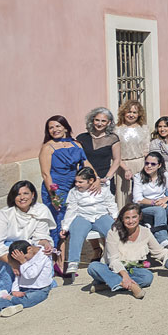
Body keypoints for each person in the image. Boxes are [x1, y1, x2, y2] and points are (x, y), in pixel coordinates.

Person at [87, 203, 168, 298]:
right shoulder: (113, 232)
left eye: (134, 217)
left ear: (139, 217)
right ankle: (131, 286)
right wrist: (125, 276)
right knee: (93, 267)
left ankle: (108, 284)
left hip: (131, 268)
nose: (131, 221)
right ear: (122, 219)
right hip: (111, 268)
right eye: (127, 218)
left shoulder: (145, 232)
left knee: (147, 277)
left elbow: (160, 252)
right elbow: (113, 260)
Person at [0, 182, 55, 299]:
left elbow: (41, 237)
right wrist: (14, 262)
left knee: (41, 255)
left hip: (29, 250)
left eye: (26, 193)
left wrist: (45, 244)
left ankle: (32, 285)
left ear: (33, 195)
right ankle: (1, 289)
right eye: (18, 194)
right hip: (8, 250)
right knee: (10, 250)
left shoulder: (41, 210)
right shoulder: (5, 214)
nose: (22, 197)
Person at [39, 115, 93, 254]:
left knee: (72, 219)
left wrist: (96, 178)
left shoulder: (77, 144)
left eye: (57, 126)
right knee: (58, 221)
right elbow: (46, 174)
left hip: (73, 186)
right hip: (56, 188)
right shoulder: (48, 147)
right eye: (51, 127)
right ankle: (57, 257)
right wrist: (53, 195)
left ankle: (67, 254)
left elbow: (85, 164)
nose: (54, 129)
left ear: (65, 127)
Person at [59, 168, 117, 274]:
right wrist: (65, 227)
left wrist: (115, 216)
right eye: (76, 181)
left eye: (80, 182)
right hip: (83, 216)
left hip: (100, 215)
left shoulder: (103, 189)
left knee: (113, 231)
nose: (77, 184)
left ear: (90, 181)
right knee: (76, 232)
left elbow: (110, 203)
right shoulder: (74, 192)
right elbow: (71, 210)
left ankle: (114, 258)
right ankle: (73, 261)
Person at [132, 152, 168, 250]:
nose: (149, 166)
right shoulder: (138, 177)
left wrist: (165, 199)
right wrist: (154, 202)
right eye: (147, 163)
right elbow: (137, 199)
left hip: (162, 203)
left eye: (153, 164)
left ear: (159, 165)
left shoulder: (164, 175)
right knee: (159, 210)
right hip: (145, 206)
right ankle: (162, 239)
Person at [0, 240, 54, 317]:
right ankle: (8, 306)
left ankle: (10, 301)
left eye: (25, 257)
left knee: (31, 299)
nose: (25, 259)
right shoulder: (21, 258)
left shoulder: (43, 255)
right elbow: (18, 276)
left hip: (40, 289)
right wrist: (15, 290)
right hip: (23, 288)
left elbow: (31, 274)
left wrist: (23, 261)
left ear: (29, 249)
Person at [76, 107, 121, 202]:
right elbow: (78, 159)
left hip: (105, 177)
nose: (99, 123)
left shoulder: (113, 138)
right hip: (86, 179)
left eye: (103, 121)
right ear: (92, 120)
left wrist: (107, 178)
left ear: (109, 122)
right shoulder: (81, 138)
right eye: (97, 120)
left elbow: (117, 160)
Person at [115, 99, 150, 209]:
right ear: (123, 113)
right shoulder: (116, 129)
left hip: (140, 164)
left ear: (139, 114)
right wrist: (125, 168)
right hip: (122, 165)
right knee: (124, 197)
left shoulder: (144, 128)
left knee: (139, 195)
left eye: (134, 112)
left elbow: (146, 150)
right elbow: (115, 153)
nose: (131, 115)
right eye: (129, 112)